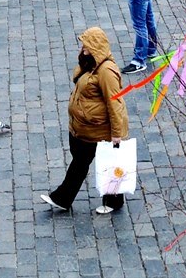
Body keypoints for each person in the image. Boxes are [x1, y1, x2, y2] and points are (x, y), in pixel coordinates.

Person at [40, 27, 129, 216]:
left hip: (99, 131)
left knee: (88, 163)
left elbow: (115, 104)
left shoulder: (106, 72)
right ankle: (111, 200)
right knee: (82, 161)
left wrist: (116, 134)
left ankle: (63, 198)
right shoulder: (90, 63)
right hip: (85, 128)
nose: (82, 47)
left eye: (86, 44)